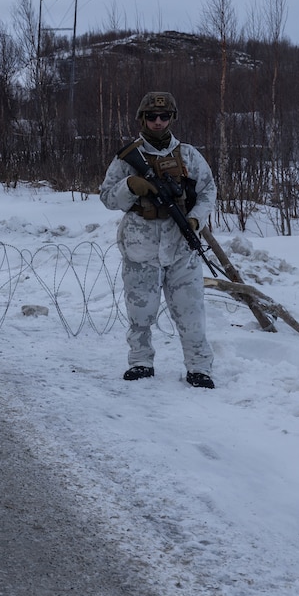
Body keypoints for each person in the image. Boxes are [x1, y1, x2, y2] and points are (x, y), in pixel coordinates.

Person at [100, 91, 218, 389]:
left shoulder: (189, 155)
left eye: (164, 116)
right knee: (140, 311)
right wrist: (130, 185)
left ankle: (199, 367)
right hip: (142, 244)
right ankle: (140, 362)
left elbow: (207, 192)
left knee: (190, 311)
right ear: (142, 118)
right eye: (151, 116)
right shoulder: (128, 158)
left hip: (181, 245)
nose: (157, 121)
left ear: (172, 118)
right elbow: (107, 197)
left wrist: (195, 220)